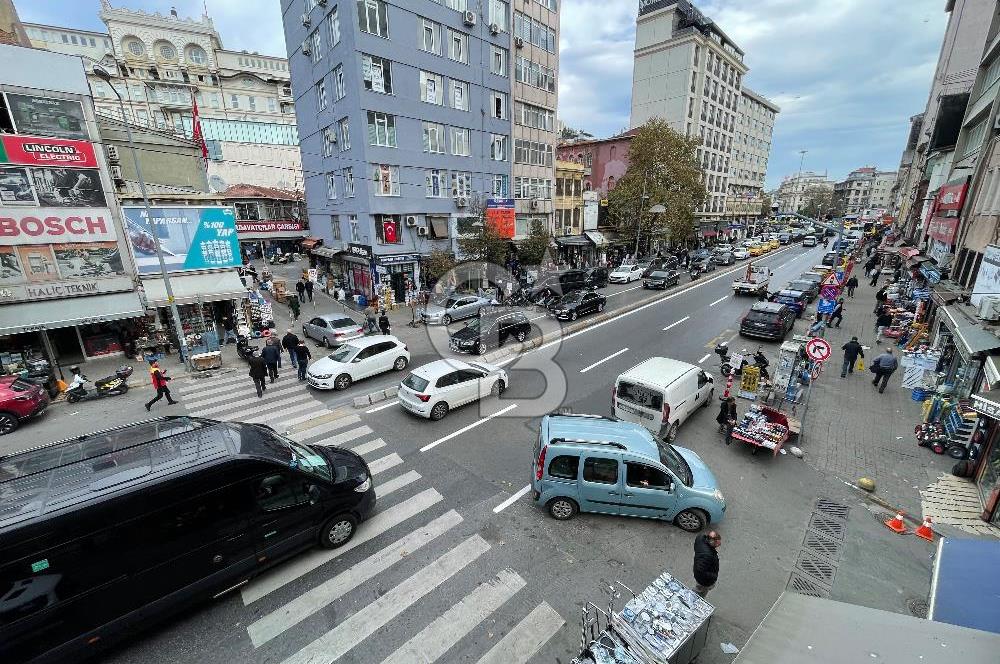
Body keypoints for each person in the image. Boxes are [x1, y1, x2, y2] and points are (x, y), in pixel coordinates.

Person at [692, 531, 721, 598]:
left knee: (700, 587)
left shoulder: (700, 538)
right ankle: (697, 598)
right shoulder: (707, 555)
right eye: (717, 543)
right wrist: (713, 576)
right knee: (701, 590)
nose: (719, 544)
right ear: (712, 542)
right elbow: (700, 569)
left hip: (699, 572)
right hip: (704, 581)